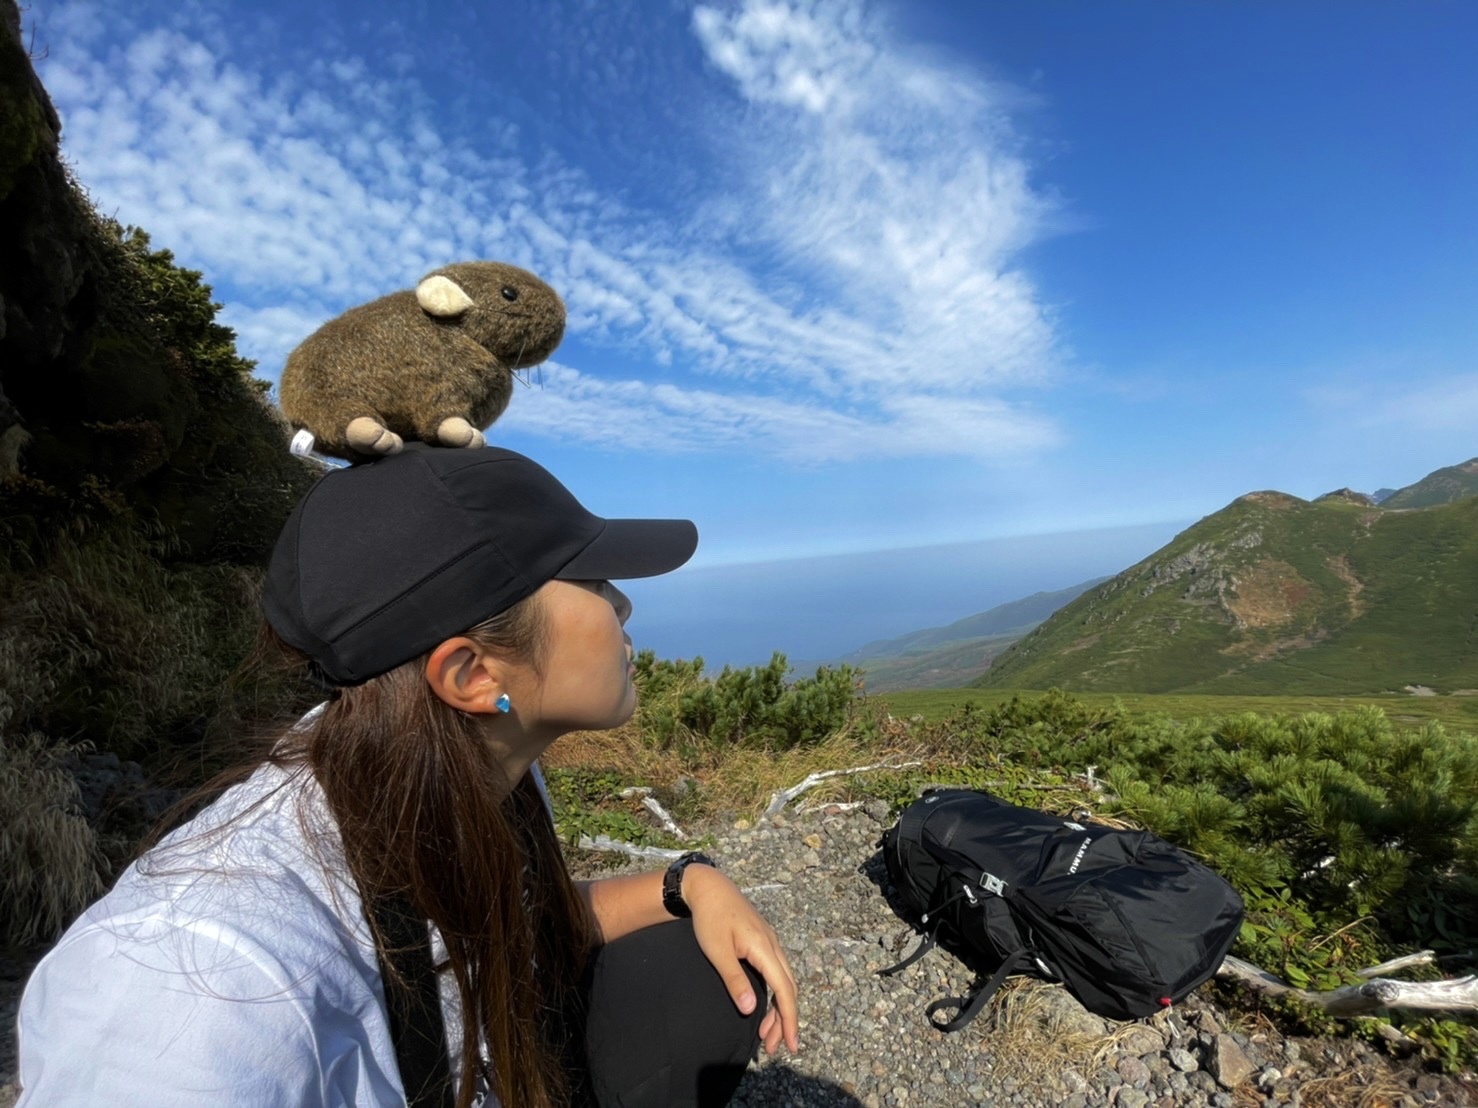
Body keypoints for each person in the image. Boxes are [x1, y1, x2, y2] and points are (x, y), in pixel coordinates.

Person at [17, 444, 799, 1108]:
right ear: (469, 671)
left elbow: (522, 929)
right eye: (591, 581)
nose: (623, 606)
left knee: (699, 979)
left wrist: (689, 883)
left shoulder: (454, 760)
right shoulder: (194, 980)